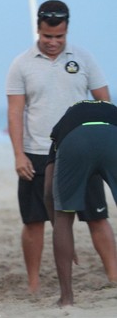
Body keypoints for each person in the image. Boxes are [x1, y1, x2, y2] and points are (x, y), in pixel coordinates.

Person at [6, 0, 117, 294]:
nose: (53, 42)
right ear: (38, 31)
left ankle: (114, 276)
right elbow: (15, 112)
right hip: (37, 151)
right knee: (34, 221)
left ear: (67, 32)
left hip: (79, 150)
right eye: (47, 37)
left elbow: (104, 102)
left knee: (97, 216)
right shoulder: (21, 64)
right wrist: (18, 154)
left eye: (59, 37)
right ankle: (34, 285)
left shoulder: (83, 58)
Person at [44, 100, 117, 306]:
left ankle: (66, 298)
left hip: (75, 140)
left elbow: (49, 191)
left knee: (64, 215)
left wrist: (60, 231)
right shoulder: (111, 109)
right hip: (114, 134)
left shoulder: (62, 126)